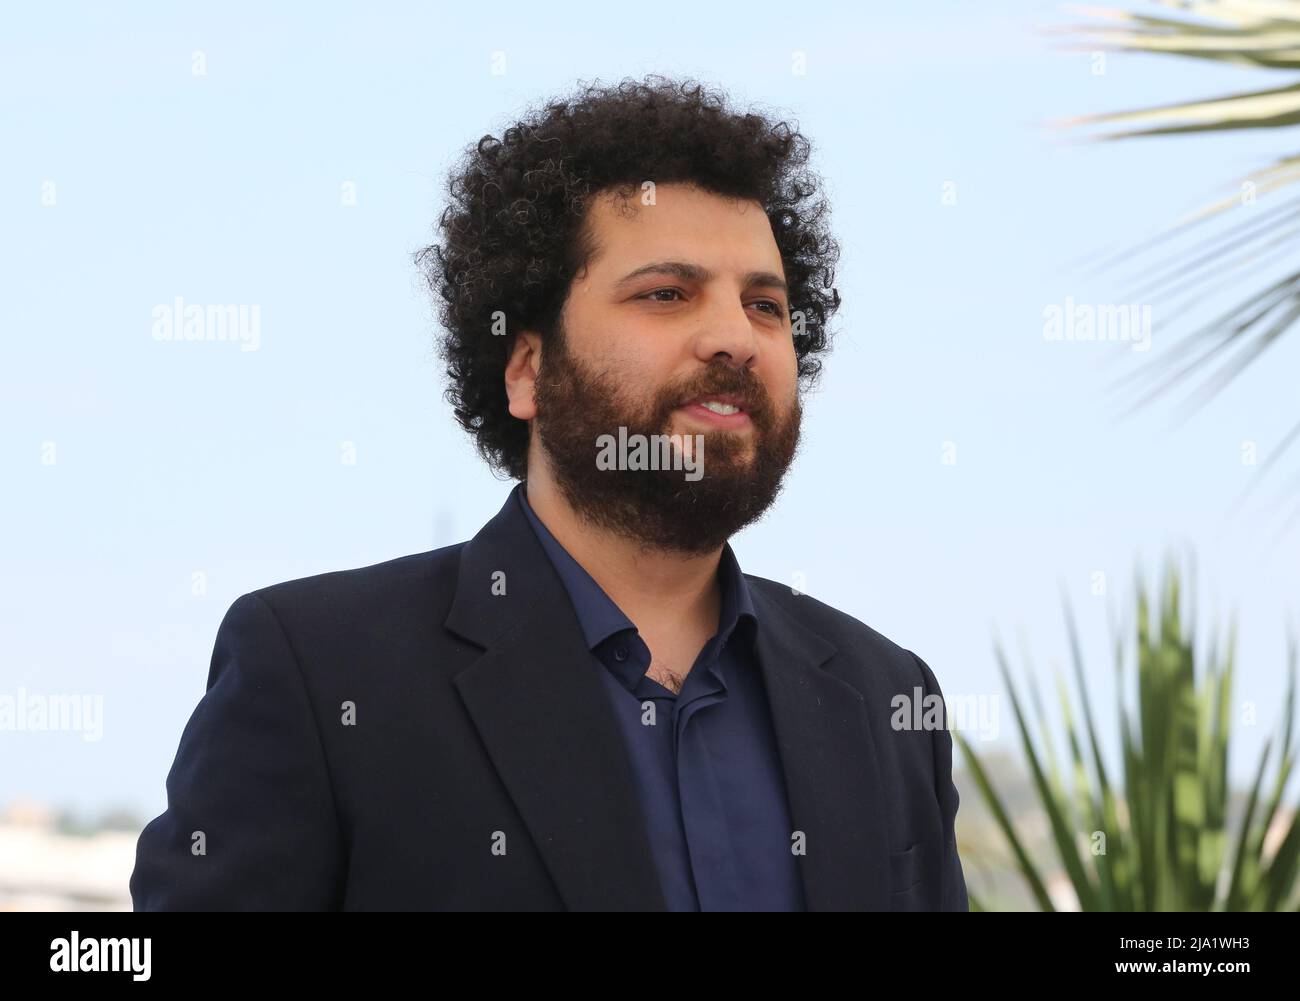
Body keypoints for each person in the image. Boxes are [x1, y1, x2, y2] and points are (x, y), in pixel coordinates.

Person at [131, 75, 969, 911]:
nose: (734, 338)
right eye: (666, 294)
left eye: (765, 305)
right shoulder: (321, 675)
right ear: (529, 368)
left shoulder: (886, 695)